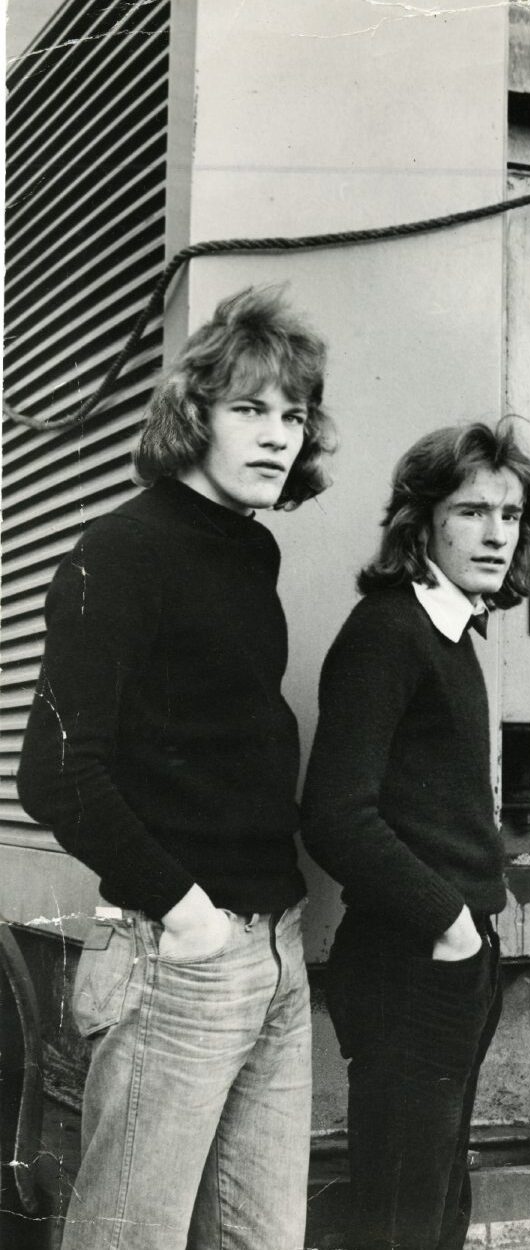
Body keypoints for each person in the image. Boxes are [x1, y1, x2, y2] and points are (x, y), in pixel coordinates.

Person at [17, 288, 336, 1249]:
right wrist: (187, 910)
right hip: (179, 951)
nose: (277, 436)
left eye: (294, 415)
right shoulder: (123, 550)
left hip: (275, 949)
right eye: (250, 408)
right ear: (194, 414)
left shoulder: (250, 551)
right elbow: (58, 768)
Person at [301, 421, 530, 1250]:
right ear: (424, 521)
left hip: (450, 959)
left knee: (436, 1212)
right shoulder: (389, 631)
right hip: (411, 961)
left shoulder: (449, 632)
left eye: (510, 515)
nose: (495, 533)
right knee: (402, 1220)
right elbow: (334, 813)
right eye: (471, 511)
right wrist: (449, 925)